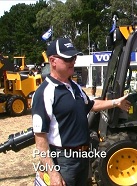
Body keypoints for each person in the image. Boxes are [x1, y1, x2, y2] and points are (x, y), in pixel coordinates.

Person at [31, 38, 131, 186]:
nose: (73, 61)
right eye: (68, 58)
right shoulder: (44, 93)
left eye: (74, 57)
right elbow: (40, 138)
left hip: (83, 157)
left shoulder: (75, 87)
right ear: (53, 61)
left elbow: (91, 104)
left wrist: (116, 102)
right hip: (63, 160)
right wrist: (52, 173)